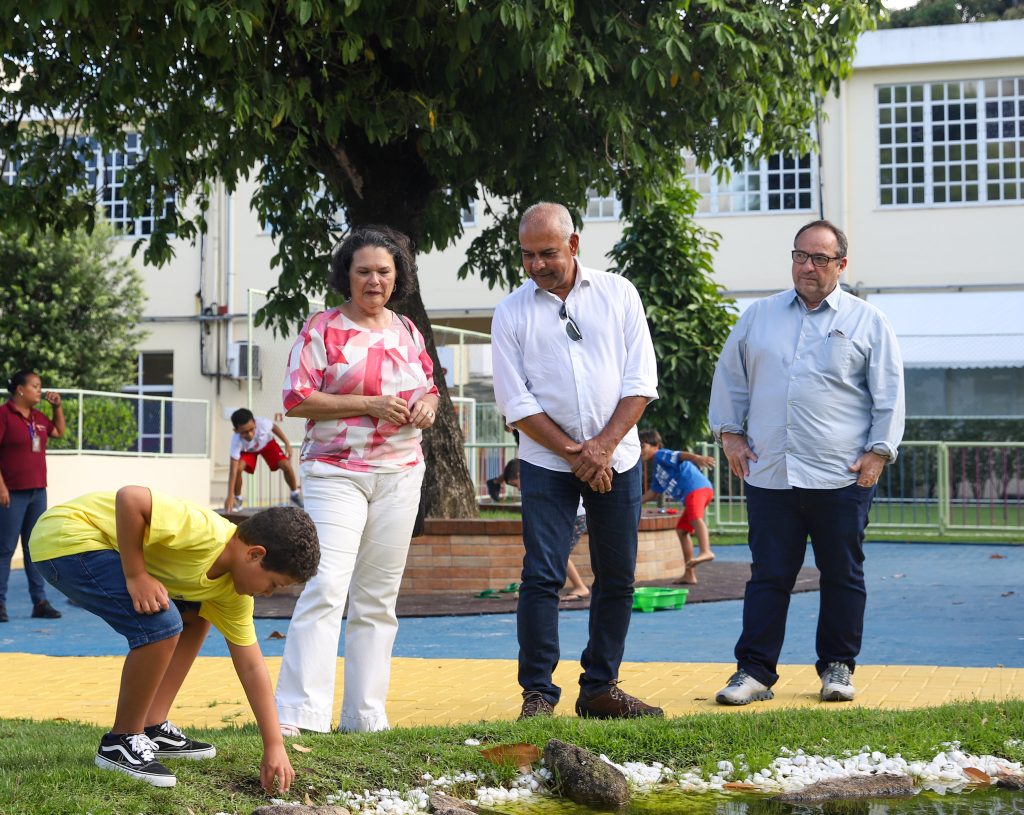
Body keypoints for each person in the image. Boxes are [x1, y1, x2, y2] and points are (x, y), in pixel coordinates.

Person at [709, 219, 905, 706]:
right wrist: (730, 436)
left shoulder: (867, 321)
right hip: (771, 473)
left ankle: (837, 666)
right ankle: (753, 672)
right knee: (769, 575)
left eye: (820, 259)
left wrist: (878, 452)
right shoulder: (759, 317)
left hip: (841, 475)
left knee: (842, 573)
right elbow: (730, 381)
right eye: (800, 256)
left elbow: (889, 395)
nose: (808, 267)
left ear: (842, 264)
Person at [29, 486, 319, 789]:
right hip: (68, 537)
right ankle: (121, 740)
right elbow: (131, 498)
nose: (269, 593)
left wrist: (274, 744)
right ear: (255, 554)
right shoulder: (203, 531)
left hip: (97, 546)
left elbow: (251, 666)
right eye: (273, 583)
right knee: (161, 625)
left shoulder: (231, 595)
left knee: (195, 616)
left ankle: (152, 724)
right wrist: (136, 575)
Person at [491, 202, 661, 720]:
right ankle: (538, 694)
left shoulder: (618, 294)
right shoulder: (511, 311)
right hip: (547, 463)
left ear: (574, 245)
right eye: (527, 256)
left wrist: (605, 446)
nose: (537, 265)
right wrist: (577, 452)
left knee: (617, 576)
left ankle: (600, 689)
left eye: (547, 253)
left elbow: (641, 381)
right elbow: (515, 402)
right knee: (542, 575)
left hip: (619, 458)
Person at [276, 225, 439, 735]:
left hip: (400, 474)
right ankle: (301, 713)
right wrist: (368, 404)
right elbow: (297, 399)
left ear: (398, 277)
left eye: (384, 272)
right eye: (364, 270)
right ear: (346, 275)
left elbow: (431, 386)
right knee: (325, 586)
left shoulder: (409, 331)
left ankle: (365, 716)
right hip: (335, 472)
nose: (374, 280)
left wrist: (428, 407)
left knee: (378, 599)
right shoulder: (322, 328)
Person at [0, 370, 65, 622]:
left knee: (33, 549)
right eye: (35, 386)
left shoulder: (38, 417)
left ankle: (40, 602)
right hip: (12, 494)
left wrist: (57, 407)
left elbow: (58, 432)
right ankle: (0, 604)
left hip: (38, 491)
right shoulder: (4, 415)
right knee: (5, 549)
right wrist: (1, 486)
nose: (40, 390)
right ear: (20, 390)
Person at [504, 458, 589, 602]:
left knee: (557, 552)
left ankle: (580, 587)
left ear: (520, 474)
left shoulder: (540, 474)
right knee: (556, 552)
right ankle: (568, 586)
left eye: (515, 484)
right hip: (576, 514)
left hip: (578, 515)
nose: (518, 489)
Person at [638, 429, 716, 585]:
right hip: (693, 494)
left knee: (695, 518)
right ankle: (689, 574)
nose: (640, 452)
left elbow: (680, 455)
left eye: (643, 446)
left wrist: (697, 458)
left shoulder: (661, 455)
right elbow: (653, 493)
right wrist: (634, 502)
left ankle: (706, 550)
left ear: (656, 445)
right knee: (681, 530)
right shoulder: (658, 471)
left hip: (696, 488)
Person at [224, 408, 303, 511]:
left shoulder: (262, 423)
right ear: (236, 430)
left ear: (254, 422)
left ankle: (294, 494)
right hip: (248, 451)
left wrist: (287, 443)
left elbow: (274, 428)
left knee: (286, 465)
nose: (250, 435)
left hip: (267, 444)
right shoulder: (236, 441)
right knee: (238, 468)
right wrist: (230, 496)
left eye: (252, 429)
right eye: (244, 432)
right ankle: (238, 499)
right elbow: (233, 471)